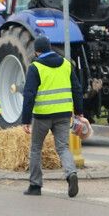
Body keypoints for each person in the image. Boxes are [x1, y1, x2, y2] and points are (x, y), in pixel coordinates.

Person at [21, 35, 78, 198]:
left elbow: (29, 94)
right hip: (64, 114)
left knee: (36, 149)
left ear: (37, 52)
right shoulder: (66, 64)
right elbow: (77, 88)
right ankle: (71, 173)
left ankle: (35, 185)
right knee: (63, 148)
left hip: (42, 115)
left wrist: (25, 120)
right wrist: (79, 111)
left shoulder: (35, 67)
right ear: (50, 48)